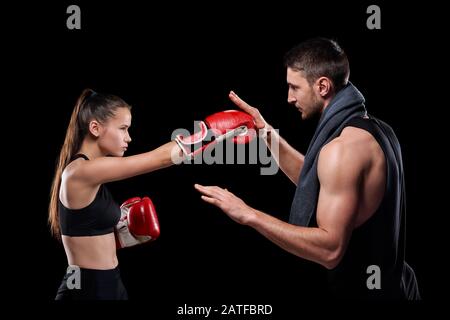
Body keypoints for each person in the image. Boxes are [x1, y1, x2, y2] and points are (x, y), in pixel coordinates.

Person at [195, 37, 421, 299]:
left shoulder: (341, 150)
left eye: (294, 87)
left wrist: (248, 214)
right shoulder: (377, 130)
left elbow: (330, 250)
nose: (289, 98)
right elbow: (319, 178)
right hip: (397, 288)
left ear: (322, 86)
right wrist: (266, 133)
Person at [49, 89, 255, 300]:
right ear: (95, 128)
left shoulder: (88, 173)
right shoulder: (80, 172)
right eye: (123, 129)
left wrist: (119, 235)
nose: (128, 137)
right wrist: (211, 131)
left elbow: (85, 232)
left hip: (106, 281)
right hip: (86, 288)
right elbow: (162, 158)